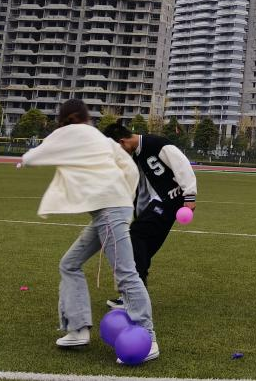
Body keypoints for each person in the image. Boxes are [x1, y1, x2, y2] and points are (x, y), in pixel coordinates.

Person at [20, 100, 159, 364]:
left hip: (109, 211)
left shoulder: (72, 132)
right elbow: (129, 167)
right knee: (69, 264)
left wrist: (25, 160)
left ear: (65, 118)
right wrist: (124, 196)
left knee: (126, 273)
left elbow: (43, 151)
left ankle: (148, 338)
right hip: (112, 209)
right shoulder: (99, 138)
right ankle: (78, 329)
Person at [103, 121, 197, 309]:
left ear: (122, 142)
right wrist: (138, 212)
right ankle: (136, 295)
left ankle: (134, 298)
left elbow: (182, 165)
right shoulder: (137, 156)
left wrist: (190, 195)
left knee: (135, 236)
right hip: (157, 205)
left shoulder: (156, 144)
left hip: (169, 202)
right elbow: (143, 188)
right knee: (143, 250)